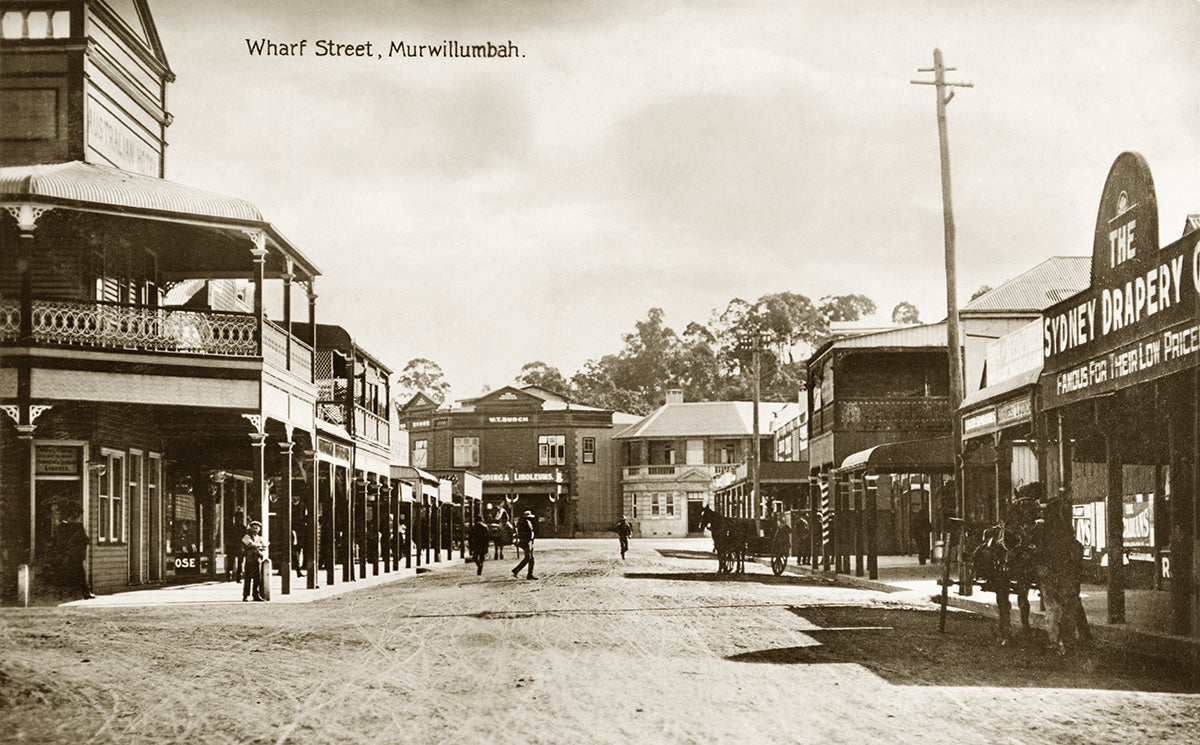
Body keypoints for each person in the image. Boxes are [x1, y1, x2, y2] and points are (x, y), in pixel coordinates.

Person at [58, 507, 94, 599]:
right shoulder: (77, 527)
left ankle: (79, 593)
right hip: (75, 555)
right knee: (79, 574)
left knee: (73, 574)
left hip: (69, 554)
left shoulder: (61, 527)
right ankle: (83, 593)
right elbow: (85, 539)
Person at [242, 520, 267, 601]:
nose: (256, 530)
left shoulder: (259, 538)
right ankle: (245, 595)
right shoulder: (247, 536)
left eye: (257, 528)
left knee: (257, 579)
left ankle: (256, 595)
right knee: (248, 578)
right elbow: (249, 544)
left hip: (257, 560)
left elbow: (265, 546)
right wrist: (259, 546)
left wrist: (259, 546)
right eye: (254, 528)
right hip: (250, 560)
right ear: (251, 528)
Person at [511, 510, 537, 580]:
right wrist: (526, 541)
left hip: (529, 542)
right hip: (526, 542)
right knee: (529, 558)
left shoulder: (527, 522)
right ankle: (517, 570)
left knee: (531, 559)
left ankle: (529, 574)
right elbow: (523, 534)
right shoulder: (523, 523)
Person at [228, 510, 246, 582]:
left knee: (240, 562)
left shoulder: (243, 528)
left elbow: (245, 538)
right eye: (237, 518)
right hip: (232, 546)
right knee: (231, 561)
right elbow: (228, 537)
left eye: (240, 518)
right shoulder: (231, 528)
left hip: (239, 546)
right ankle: (229, 575)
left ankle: (238, 577)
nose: (238, 520)